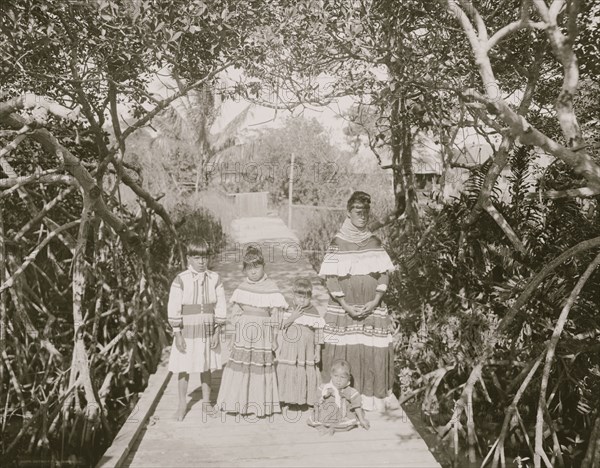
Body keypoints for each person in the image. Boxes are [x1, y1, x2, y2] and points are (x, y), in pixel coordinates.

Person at [318, 191, 397, 412]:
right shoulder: (338, 242)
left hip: (371, 308)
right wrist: (346, 305)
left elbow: (384, 273)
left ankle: (369, 397)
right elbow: (331, 278)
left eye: (366, 212)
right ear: (349, 213)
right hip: (345, 309)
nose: (362, 216)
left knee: (370, 350)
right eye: (358, 212)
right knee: (344, 349)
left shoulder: (374, 241)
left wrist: (375, 301)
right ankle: (339, 395)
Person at [216, 246, 288, 417]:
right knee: (242, 365)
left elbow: (275, 315)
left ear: (264, 267)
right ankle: (237, 402)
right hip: (244, 332)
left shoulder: (271, 287)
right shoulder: (241, 288)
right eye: (249, 268)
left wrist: (275, 336)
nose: (254, 272)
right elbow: (235, 314)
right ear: (244, 270)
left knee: (259, 365)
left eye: (257, 267)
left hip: (263, 334)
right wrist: (233, 334)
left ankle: (258, 404)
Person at [167, 239, 226, 421]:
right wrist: (177, 333)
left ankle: (207, 403)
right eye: (197, 257)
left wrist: (217, 331)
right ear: (189, 258)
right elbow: (174, 307)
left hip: (208, 327)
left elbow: (221, 305)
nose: (201, 262)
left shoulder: (215, 278)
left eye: (205, 257)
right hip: (187, 328)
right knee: (183, 366)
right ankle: (182, 404)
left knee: (206, 364)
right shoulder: (181, 280)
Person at [276, 277, 326, 407]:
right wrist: (293, 316)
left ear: (310, 297)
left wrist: (318, 351)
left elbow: (319, 332)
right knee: (289, 370)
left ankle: (305, 398)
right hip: (290, 349)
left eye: (305, 297)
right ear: (293, 296)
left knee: (304, 371)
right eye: (299, 296)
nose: (302, 300)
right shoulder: (289, 308)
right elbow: (281, 325)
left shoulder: (314, 311)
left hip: (306, 349)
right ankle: (286, 397)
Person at [307, 359, 370, 434]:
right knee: (315, 419)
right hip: (326, 413)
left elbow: (357, 405)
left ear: (348, 378)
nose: (338, 380)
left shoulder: (349, 391)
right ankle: (322, 427)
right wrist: (323, 397)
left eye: (342, 377)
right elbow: (317, 402)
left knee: (349, 424)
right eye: (335, 376)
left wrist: (362, 419)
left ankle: (332, 428)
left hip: (342, 415)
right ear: (331, 375)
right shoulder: (325, 387)